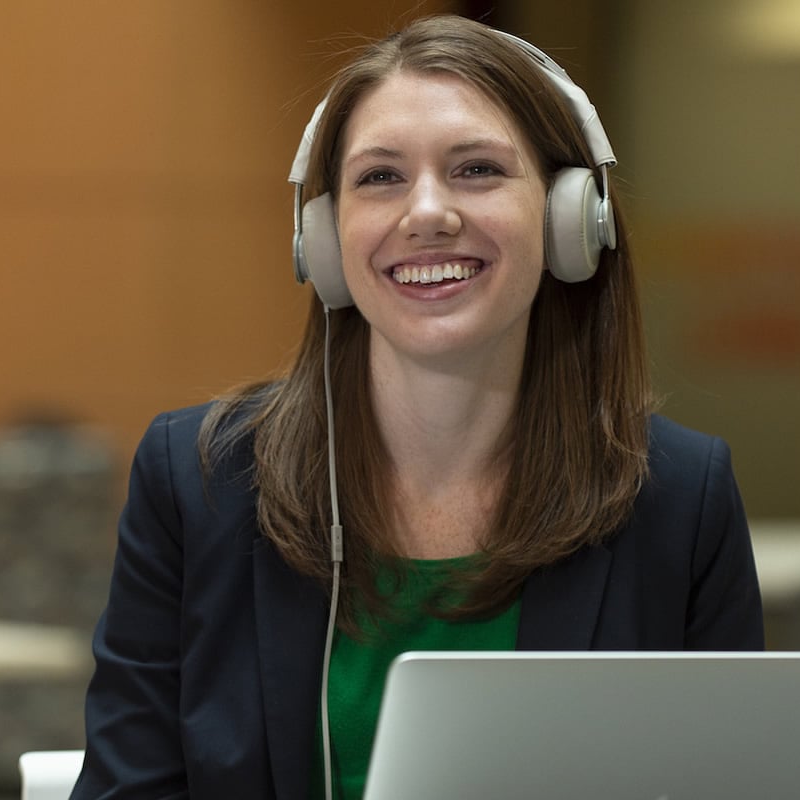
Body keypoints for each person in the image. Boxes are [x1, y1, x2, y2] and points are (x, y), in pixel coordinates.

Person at [71, 14, 763, 800]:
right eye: (380, 177)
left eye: (475, 169)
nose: (426, 213)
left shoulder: (679, 496)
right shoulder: (199, 482)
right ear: (325, 239)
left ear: (573, 217)